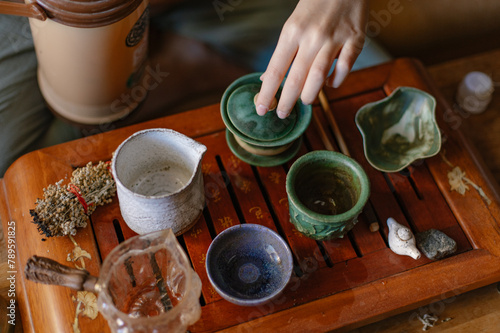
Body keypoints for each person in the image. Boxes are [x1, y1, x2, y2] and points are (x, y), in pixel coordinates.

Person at [0, 0, 391, 176]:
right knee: (14, 180)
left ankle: (178, 63)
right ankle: (169, 70)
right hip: (39, 14)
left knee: (370, 88)